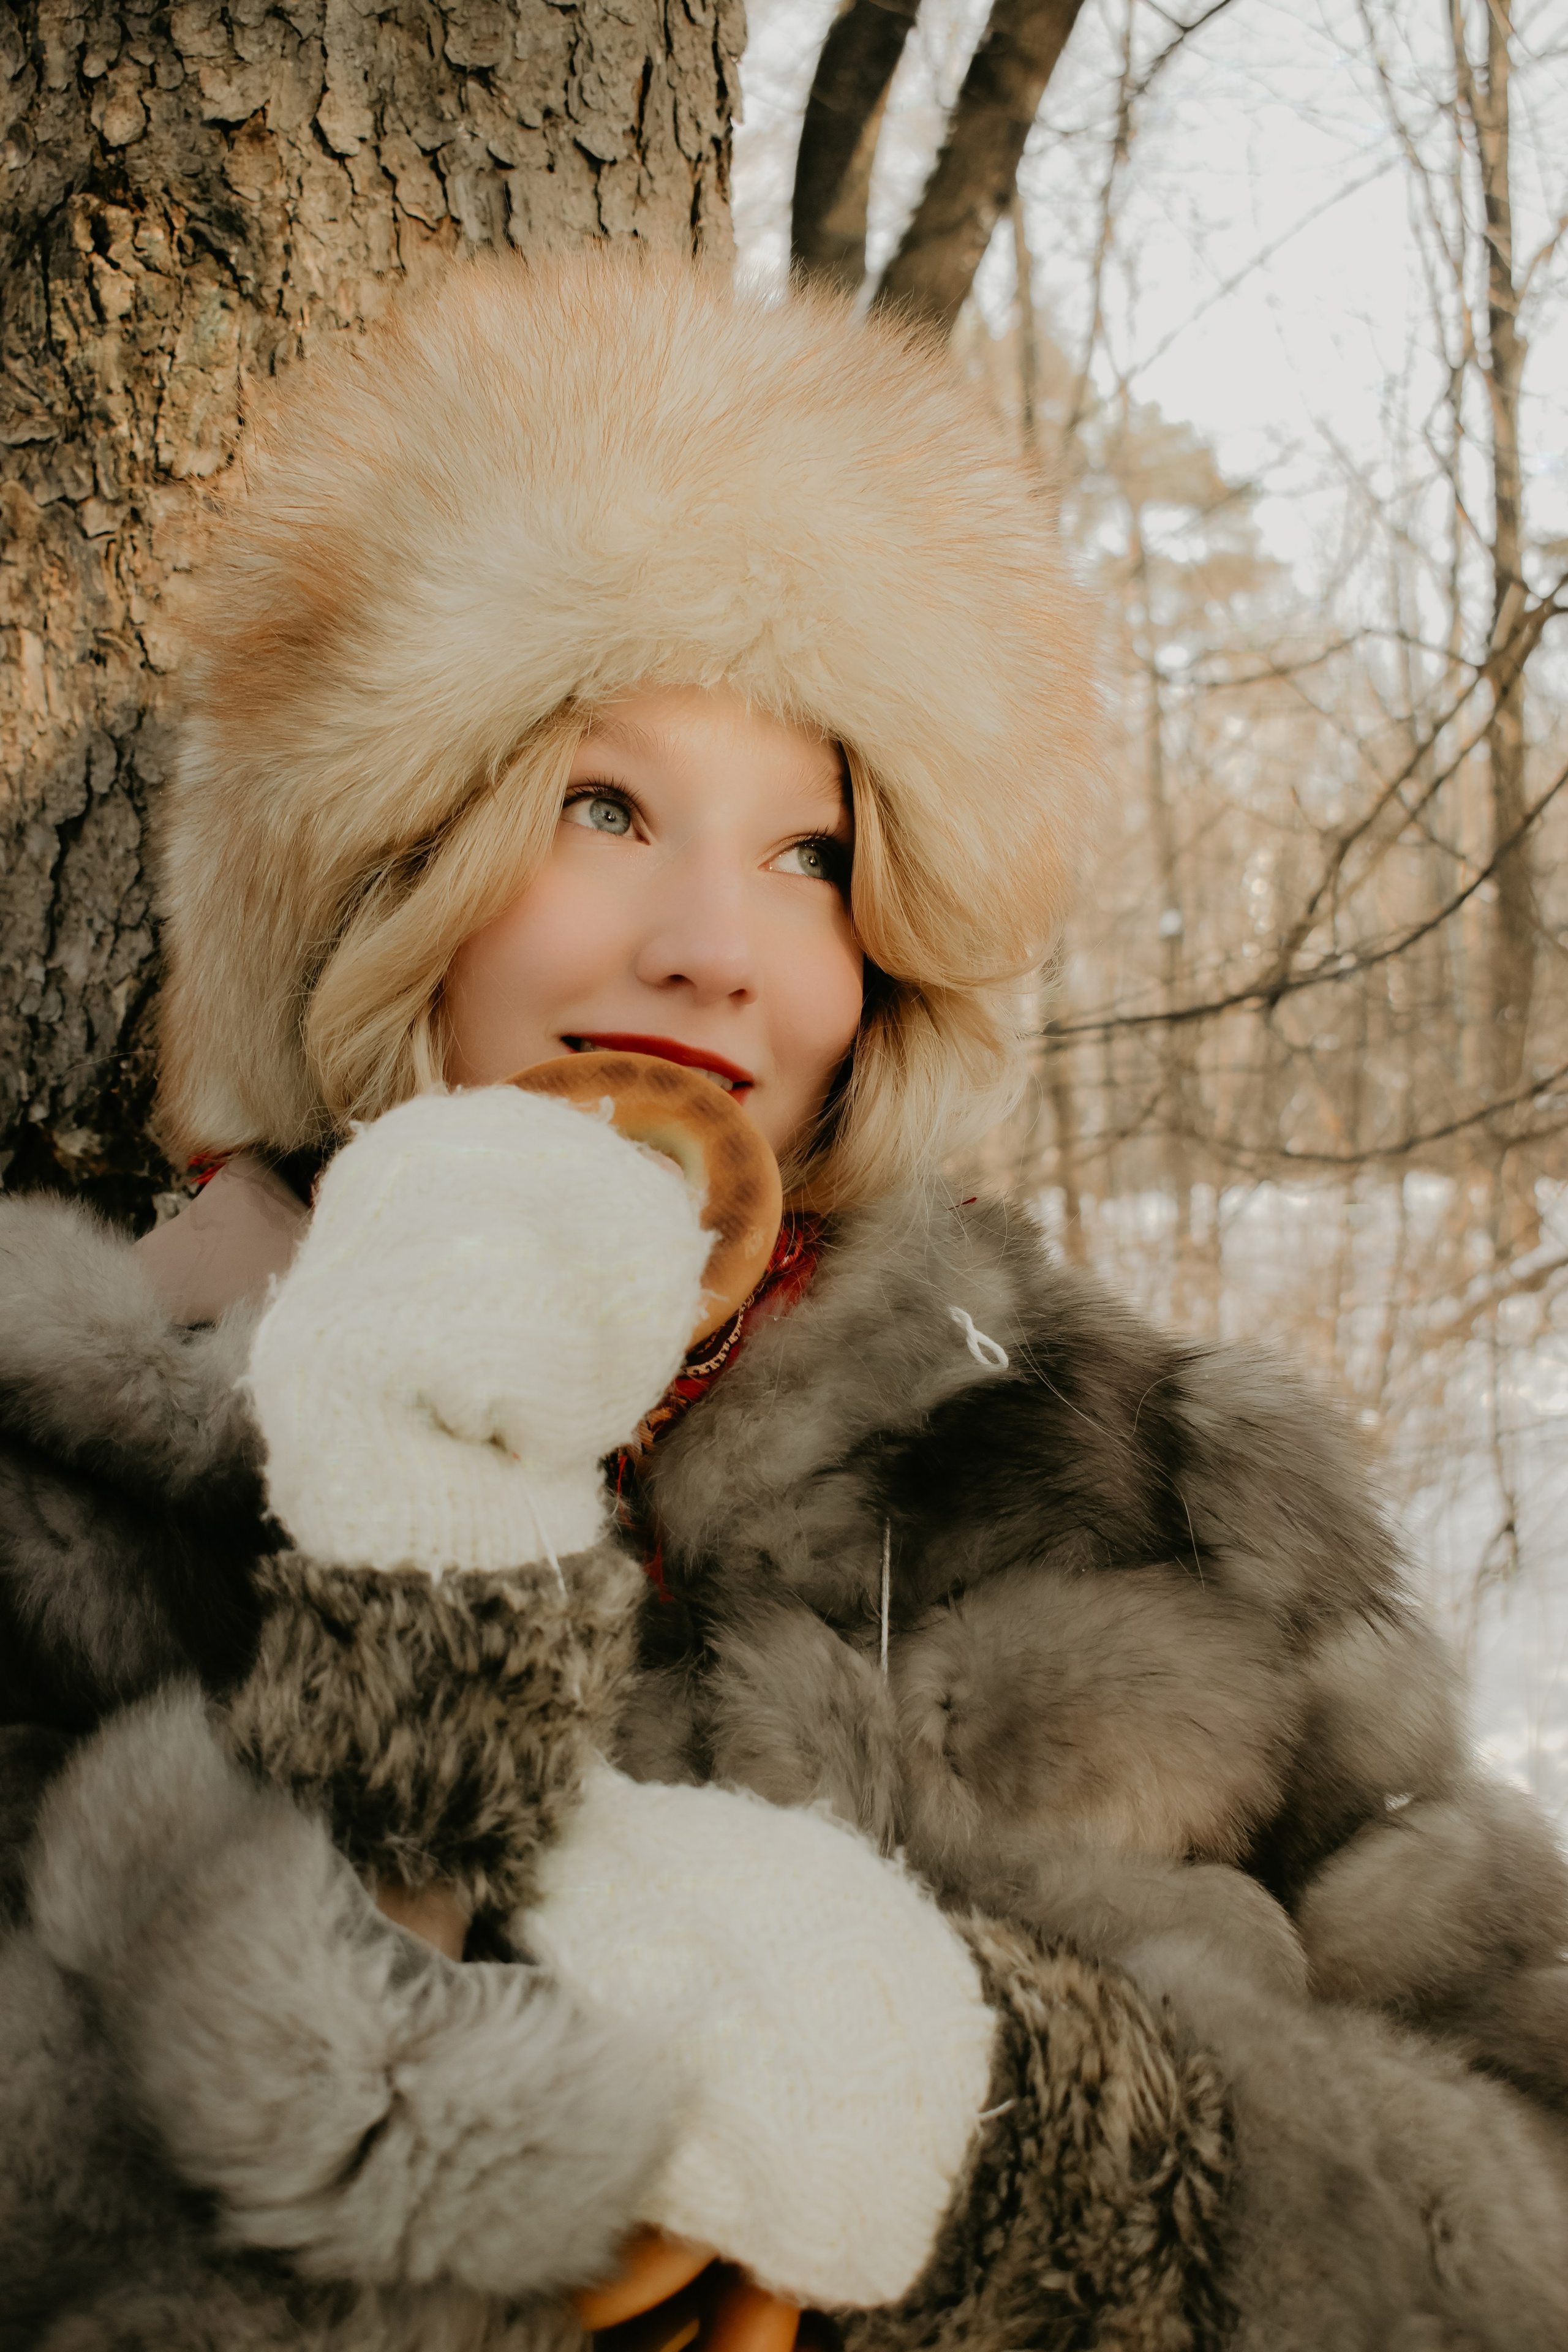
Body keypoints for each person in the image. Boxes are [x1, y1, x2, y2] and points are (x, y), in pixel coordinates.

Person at [1, 251, 1566, 2351]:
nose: (718, 950)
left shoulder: (1159, 1489)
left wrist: (1008, 2137)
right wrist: (416, 1624)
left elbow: (1527, 2205)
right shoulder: (76, 1498)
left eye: (809, 851)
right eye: (605, 806)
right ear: (394, 880)